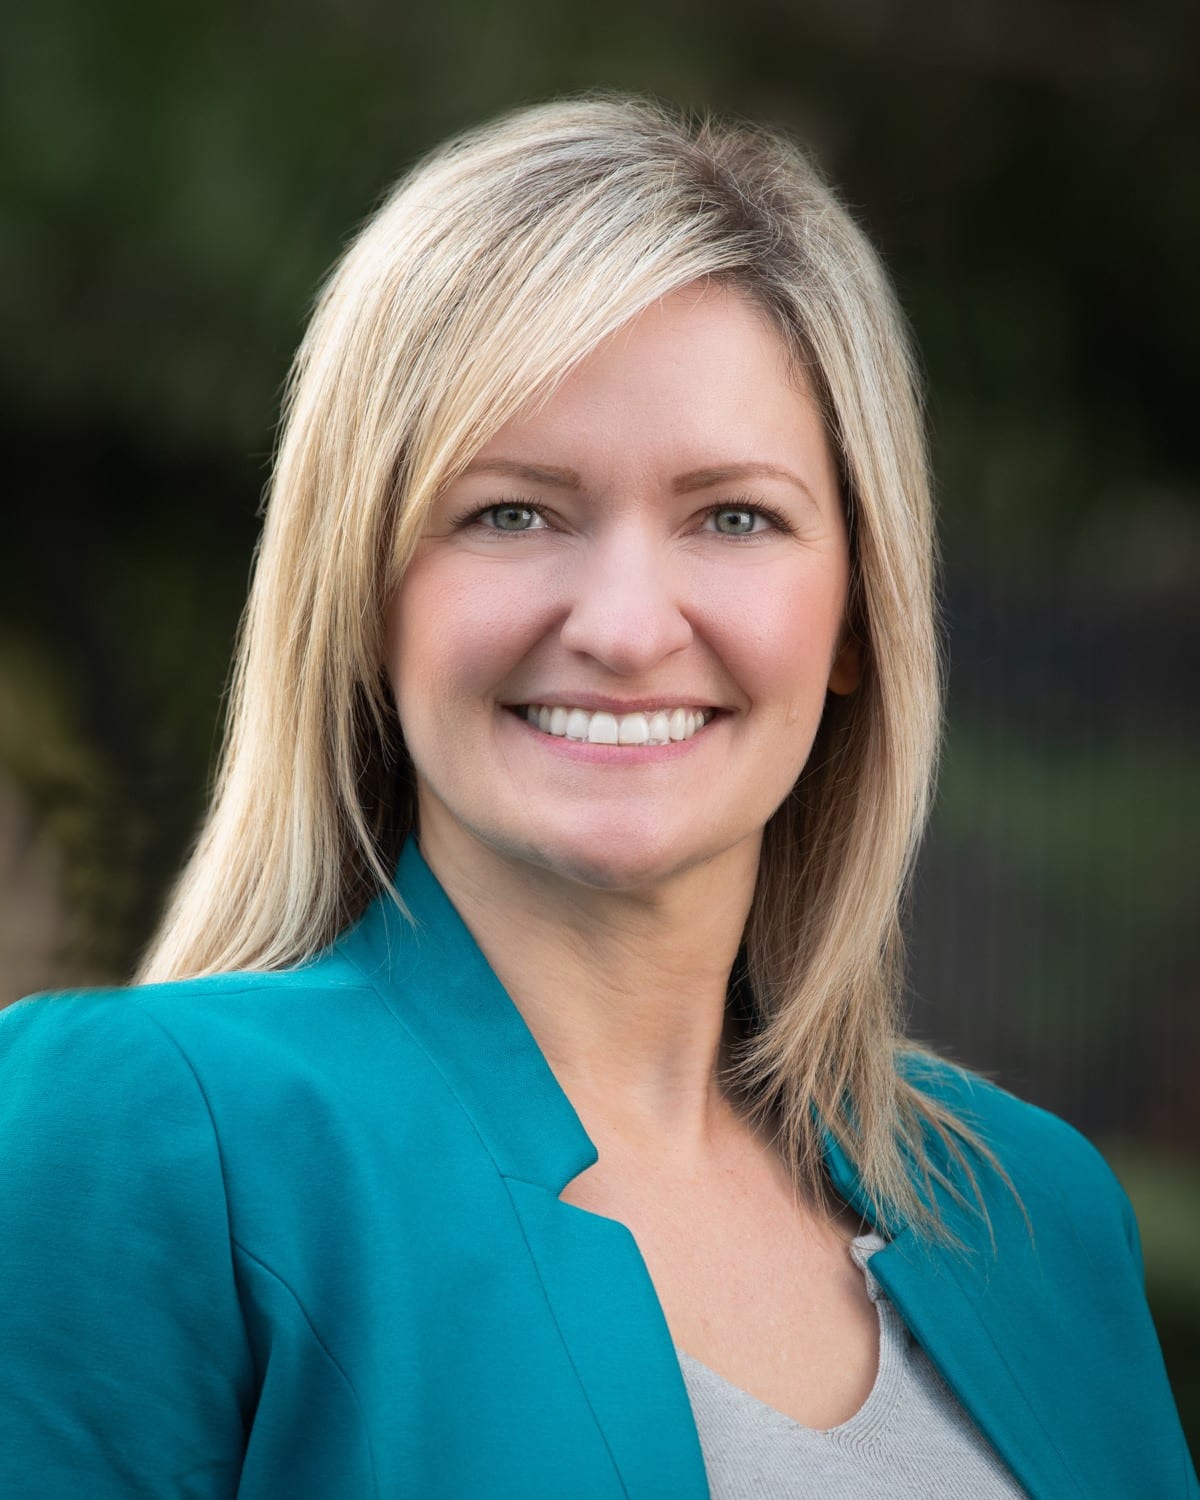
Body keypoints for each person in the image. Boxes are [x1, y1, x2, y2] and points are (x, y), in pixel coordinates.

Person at [0, 97, 1192, 1500]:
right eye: (513, 510)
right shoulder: (141, 1133)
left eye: (733, 516)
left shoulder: (1034, 1212)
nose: (626, 627)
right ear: (369, 596)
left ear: (859, 611)